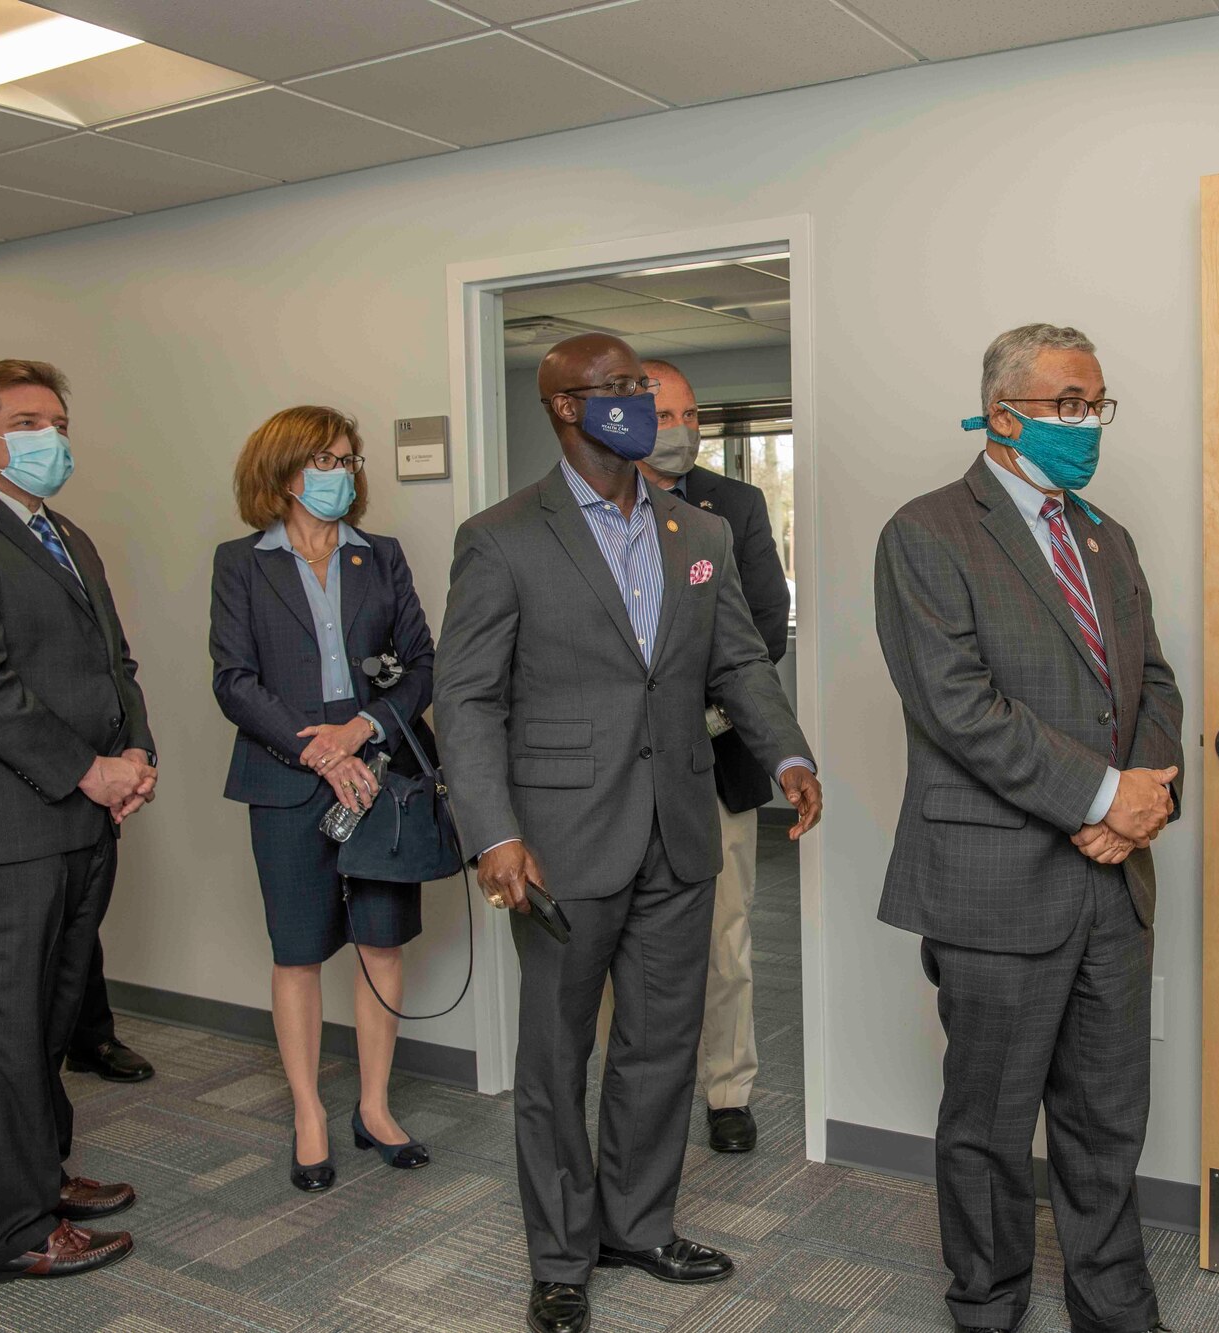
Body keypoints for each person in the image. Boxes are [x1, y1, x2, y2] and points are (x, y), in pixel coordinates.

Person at [436, 332, 821, 1333]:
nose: (637, 404)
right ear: (565, 406)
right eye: (614, 391)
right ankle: (560, 1253)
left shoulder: (698, 532)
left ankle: (638, 1224)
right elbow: (468, 699)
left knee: (660, 1044)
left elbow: (737, 662)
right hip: (558, 841)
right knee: (558, 1055)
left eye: (641, 389)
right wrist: (490, 833)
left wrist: (786, 755)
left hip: (680, 827)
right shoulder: (502, 534)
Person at [874, 323, 1184, 1333]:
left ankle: (1112, 1304)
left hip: (1111, 883)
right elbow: (956, 706)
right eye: (1066, 404)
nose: (1086, 423)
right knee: (989, 1124)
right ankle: (988, 1304)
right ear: (1003, 414)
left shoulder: (1105, 535)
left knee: (1105, 1118)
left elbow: (1153, 684)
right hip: (994, 882)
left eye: (1096, 403)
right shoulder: (924, 534)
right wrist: (1101, 796)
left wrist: (1141, 799)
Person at [0, 360, 153, 1283]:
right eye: (27, 421)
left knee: (50, 1020)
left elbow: (111, 661)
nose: (52, 437)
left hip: (82, 819)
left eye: (57, 419)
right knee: (4, 1033)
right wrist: (88, 769)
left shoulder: (63, 534)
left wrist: (138, 757)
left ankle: (43, 1176)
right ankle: (12, 1231)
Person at [210, 405, 438, 1194]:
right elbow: (233, 680)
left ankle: (374, 1107)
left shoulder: (382, 557)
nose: (344, 473)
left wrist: (363, 728)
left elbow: (419, 665)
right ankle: (309, 1110)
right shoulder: (241, 563)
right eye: (327, 460)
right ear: (283, 471)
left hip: (379, 776)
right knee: (299, 950)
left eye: (349, 459)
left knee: (381, 941)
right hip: (284, 779)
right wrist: (315, 747)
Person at [631, 355, 792, 1154]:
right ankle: (630, 1091)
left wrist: (693, 713)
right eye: (665, 416)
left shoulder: (734, 506)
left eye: (692, 415)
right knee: (623, 942)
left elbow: (761, 626)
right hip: (620, 774)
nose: (684, 430)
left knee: (723, 937)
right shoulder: (588, 510)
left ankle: (727, 1089)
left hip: (716, 758)